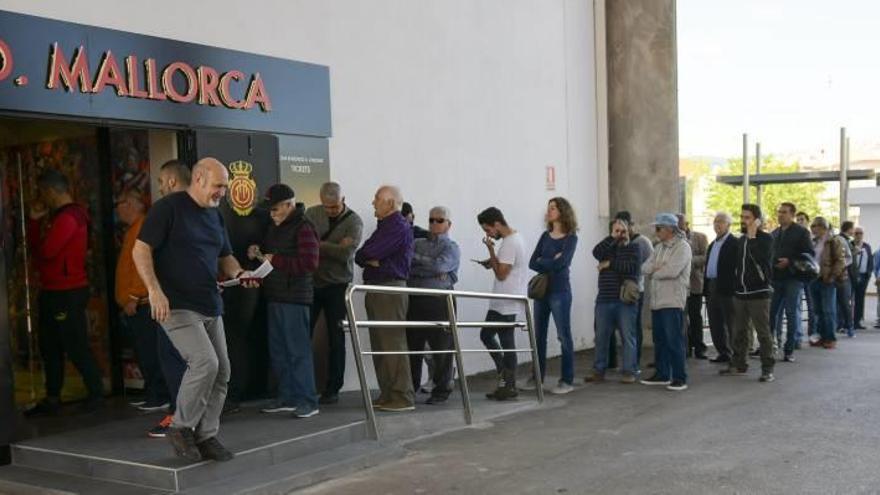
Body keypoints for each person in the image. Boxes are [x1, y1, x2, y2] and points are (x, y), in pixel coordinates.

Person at [133, 157, 258, 462]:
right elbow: (141, 249)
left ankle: (206, 435)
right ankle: (180, 427)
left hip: (210, 304)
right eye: (218, 186)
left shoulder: (215, 216)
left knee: (223, 372)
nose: (223, 193)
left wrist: (239, 274)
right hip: (176, 305)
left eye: (225, 188)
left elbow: (226, 257)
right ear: (199, 178)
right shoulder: (168, 209)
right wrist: (154, 290)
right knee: (205, 362)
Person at [23, 169, 103, 417]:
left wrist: (35, 224)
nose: (41, 198)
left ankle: (96, 393)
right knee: (51, 346)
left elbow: (46, 252)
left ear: (50, 191)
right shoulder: (66, 216)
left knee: (74, 343)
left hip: (65, 291)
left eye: (42, 192)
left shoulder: (69, 218)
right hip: (56, 290)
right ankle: (53, 396)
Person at [251, 184, 320, 418]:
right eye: (269, 210)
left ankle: (308, 401)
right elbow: (272, 256)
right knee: (279, 351)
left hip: (295, 298)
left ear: (290, 205)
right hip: (275, 295)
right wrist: (258, 252)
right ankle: (288, 396)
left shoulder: (304, 227)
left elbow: (310, 263)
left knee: (298, 351)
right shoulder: (274, 227)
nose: (272, 214)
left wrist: (276, 260)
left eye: (276, 209)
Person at [355, 186, 415, 412]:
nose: (373, 202)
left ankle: (402, 396)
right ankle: (388, 393)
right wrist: (371, 259)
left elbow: (369, 253)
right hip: (379, 287)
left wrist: (373, 259)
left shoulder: (397, 226)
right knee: (380, 343)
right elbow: (361, 255)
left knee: (392, 342)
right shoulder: (385, 227)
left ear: (390, 203)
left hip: (389, 289)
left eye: (377, 199)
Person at [305, 182, 364, 405]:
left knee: (336, 338)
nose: (330, 210)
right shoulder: (311, 213)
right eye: (327, 207)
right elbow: (307, 245)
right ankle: (305, 385)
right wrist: (333, 245)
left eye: (335, 206)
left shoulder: (354, 220)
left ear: (343, 199)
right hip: (313, 282)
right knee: (304, 335)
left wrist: (319, 245)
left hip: (338, 285)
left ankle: (333, 388)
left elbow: (346, 253)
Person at [115, 189, 170, 412]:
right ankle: (152, 392)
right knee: (144, 349)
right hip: (137, 302)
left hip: (143, 302)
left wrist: (134, 296)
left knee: (150, 350)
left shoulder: (142, 228)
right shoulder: (133, 230)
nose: (118, 208)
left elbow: (143, 267)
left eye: (121, 202)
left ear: (133, 204)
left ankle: (159, 395)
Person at [146, 160, 189, 438]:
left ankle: (180, 416)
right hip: (195, 301)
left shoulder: (164, 210)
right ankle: (188, 414)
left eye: (161, 182)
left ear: (172, 181)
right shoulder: (202, 211)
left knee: (175, 358)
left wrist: (154, 291)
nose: (159, 187)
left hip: (174, 302)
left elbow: (142, 251)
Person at [405, 206, 460, 405]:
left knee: (442, 348)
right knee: (413, 347)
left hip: (439, 301)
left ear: (448, 224)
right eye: (431, 220)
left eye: (439, 220)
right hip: (416, 299)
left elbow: (441, 266)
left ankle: (441, 389)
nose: (434, 224)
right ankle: (410, 388)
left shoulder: (451, 247)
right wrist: (431, 269)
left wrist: (421, 265)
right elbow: (407, 266)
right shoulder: (417, 242)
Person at [476, 207, 528, 400]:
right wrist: (493, 260)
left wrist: (490, 250)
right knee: (506, 342)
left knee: (489, 336)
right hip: (509, 299)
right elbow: (507, 266)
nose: (488, 234)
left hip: (505, 300)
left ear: (497, 224)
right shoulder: (516, 238)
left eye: (488, 230)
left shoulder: (509, 243)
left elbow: (502, 273)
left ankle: (505, 377)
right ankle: (508, 383)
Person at [721, 204, 776, 382]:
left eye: (747, 217)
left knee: (763, 333)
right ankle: (739, 364)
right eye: (742, 217)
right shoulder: (742, 240)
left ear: (757, 220)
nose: (743, 220)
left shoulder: (766, 239)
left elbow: (762, 259)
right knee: (740, 331)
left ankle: (767, 369)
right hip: (740, 293)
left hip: (759, 293)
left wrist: (753, 238)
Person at [529, 198, 579, 393]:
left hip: (560, 292)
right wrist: (552, 260)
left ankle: (567, 380)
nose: (549, 211)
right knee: (539, 336)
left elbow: (562, 263)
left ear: (562, 212)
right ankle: (537, 378)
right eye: (548, 208)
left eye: (553, 208)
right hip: (542, 292)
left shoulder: (571, 238)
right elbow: (532, 263)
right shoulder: (545, 236)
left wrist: (545, 261)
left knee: (563, 336)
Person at [640, 213, 691, 391]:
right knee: (660, 340)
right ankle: (662, 374)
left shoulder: (683, 247)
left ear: (670, 229)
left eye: (659, 228)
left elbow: (672, 271)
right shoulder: (659, 247)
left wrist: (656, 271)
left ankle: (679, 377)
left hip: (672, 301)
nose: (656, 231)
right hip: (657, 301)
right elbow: (644, 267)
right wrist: (657, 268)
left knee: (674, 340)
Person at [587, 218, 639, 384]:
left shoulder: (634, 247)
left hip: (624, 300)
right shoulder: (607, 247)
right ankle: (599, 371)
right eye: (617, 230)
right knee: (601, 337)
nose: (621, 234)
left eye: (623, 230)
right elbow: (595, 253)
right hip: (604, 299)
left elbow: (630, 268)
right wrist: (612, 238)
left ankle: (629, 371)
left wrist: (609, 263)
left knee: (627, 337)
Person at [769, 202, 813, 361]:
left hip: (793, 278)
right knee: (771, 314)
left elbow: (809, 254)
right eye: (779, 212)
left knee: (791, 313)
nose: (780, 215)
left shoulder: (801, 232)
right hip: (776, 278)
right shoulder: (774, 233)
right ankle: (771, 345)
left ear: (792, 215)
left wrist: (790, 261)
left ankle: (789, 349)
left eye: (784, 212)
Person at [704, 212, 737, 363]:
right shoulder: (713, 244)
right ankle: (723, 352)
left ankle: (736, 354)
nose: (717, 224)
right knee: (715, 321)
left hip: (727, 287)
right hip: (712, 285)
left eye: (721, 222)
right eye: (715, 221)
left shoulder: (734, 242)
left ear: (728, 225)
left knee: (730, 321)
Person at [808, 217, 845, 349]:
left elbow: (840, 261)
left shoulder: (833, 241)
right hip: (814, 279)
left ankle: (830, 338)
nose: (812, 228)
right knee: (818, 310)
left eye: (815, 226)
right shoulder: (813, 241)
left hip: (827, 279)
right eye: (812, 226)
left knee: (828, 310)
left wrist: (832, 276)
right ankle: (821, 336)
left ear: (823, 227)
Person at [678, 214, 708, 359]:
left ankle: (699, 348)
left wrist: (689, 260)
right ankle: (686, 348)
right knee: (682, 319)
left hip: (695, 284)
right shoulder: (673, 240)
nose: (678, 227)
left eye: (680, 224)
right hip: (679, 287)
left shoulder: (700, 237)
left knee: (695, 317)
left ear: (687, 224)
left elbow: (705, 257)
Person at [836, 221, 856, 337]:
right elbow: (849, 259)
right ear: (849, 229)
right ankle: (848, 326)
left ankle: (844, 325)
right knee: (844, 302)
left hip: (841, 274)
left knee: (842, 302)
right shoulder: (842, 240)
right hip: (842, 275)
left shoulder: (844, 240)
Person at [852, 227, 873, 330]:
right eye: (856, 233)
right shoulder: (850, 245)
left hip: (864, 276)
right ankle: (846, 322)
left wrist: (868, 274)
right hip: (852, 276)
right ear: (853, 234)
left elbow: (870, 261)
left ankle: (857, 321)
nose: (859, 235)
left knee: (860, 299)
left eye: (861, 233)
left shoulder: (867, 246)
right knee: (848, 299)